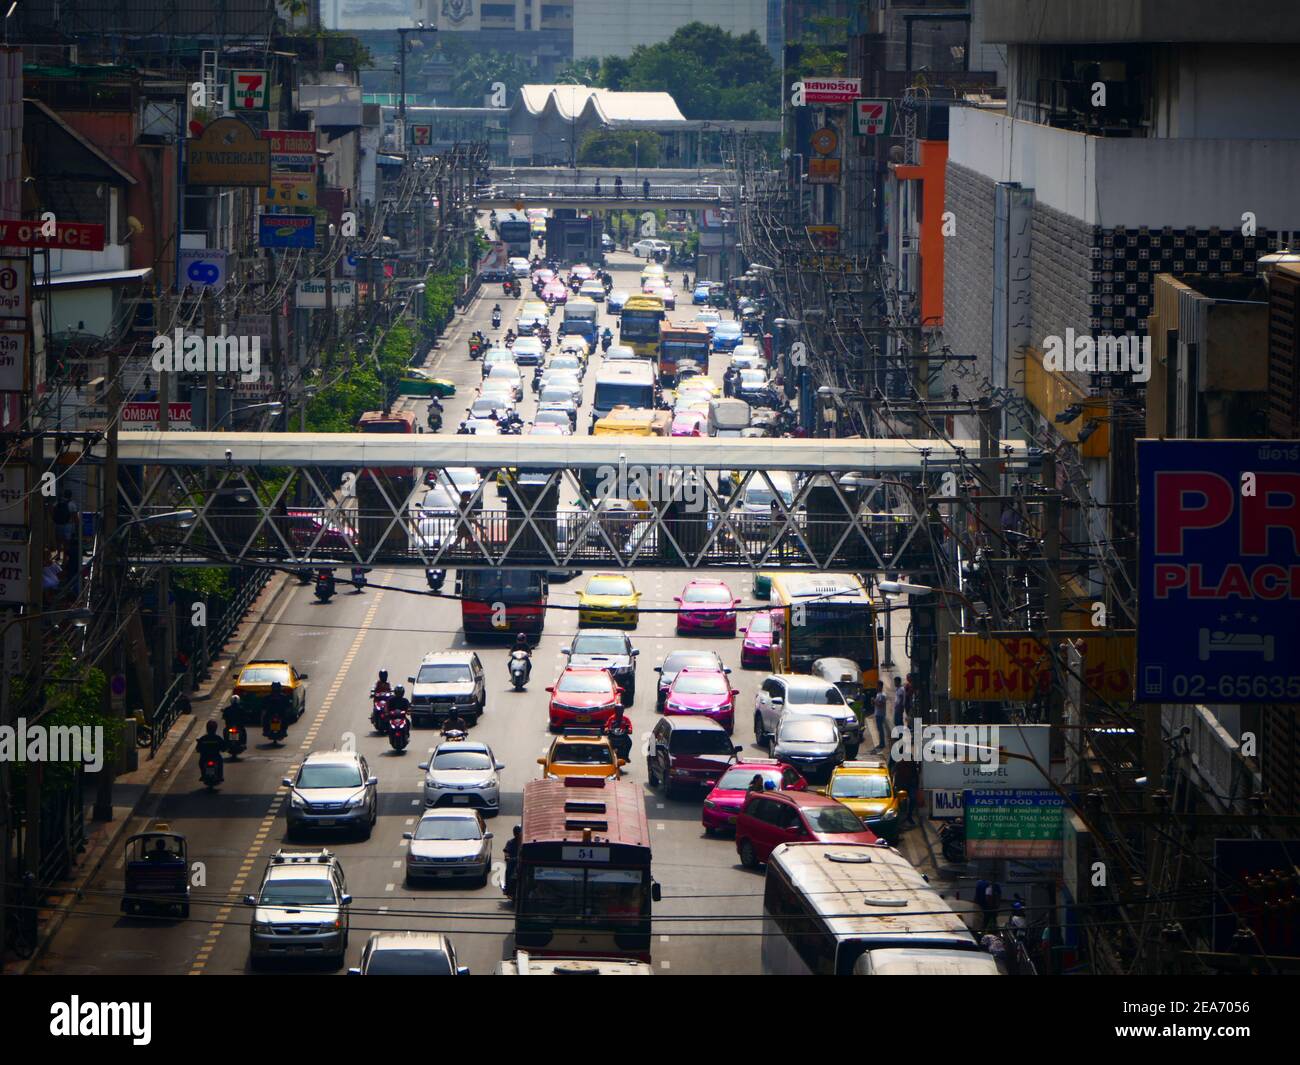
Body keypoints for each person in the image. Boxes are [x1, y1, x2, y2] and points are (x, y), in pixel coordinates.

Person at [196, 719, 227, 783]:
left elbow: (198, 748)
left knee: (201, 762)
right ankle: (220, 776)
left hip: (205, 757)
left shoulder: (203, 738)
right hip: (215, 756)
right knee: (220, 762)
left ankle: (203, 775)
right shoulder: (218, 738)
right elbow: (223, 747)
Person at [503, 825, 523, 896]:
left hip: (523, 863)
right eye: (516, 833)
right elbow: (506, 851)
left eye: (519, 833)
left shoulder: (525, 843)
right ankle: (507, 888)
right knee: (508, 870)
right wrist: (507, 856)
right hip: (513, 862)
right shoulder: (510, 842)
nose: (517, 835)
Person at [871, 680, 888, 751]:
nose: (876, 687)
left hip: (880, 714)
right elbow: (876, 704)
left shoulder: (882, 695)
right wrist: (873, 702)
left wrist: (874, 701)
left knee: (880, 729)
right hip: (877, 714)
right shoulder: (878, 694)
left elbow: (880, 705)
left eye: (877, 685)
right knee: (879, 729)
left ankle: (882, 743)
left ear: (880, 686)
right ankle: (881, 742)